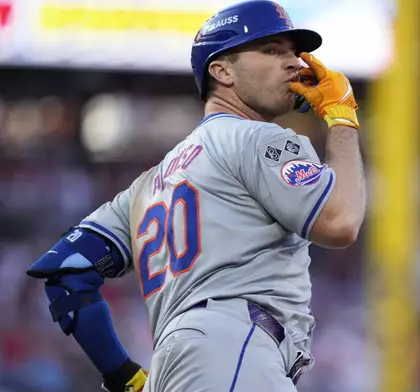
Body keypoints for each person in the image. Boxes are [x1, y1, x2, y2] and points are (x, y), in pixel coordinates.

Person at [25, 1, 366, 391]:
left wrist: (123, 376)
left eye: (293, 52)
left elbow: (68, 273)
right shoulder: (256, 138)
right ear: (221, 71)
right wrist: (342, 117)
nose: (294, 63)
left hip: (177, 363)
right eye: (272, 50)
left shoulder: (147, 185)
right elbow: (341, 222)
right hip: (235, 348)